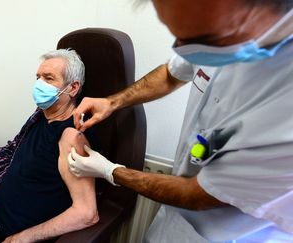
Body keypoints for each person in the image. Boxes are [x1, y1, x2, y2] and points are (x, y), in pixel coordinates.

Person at [67, 0, 293, 242]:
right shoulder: (216, 34)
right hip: (174, 221)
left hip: (230, 233)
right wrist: (112, 102)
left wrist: (110, 171)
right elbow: (171, 73)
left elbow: (197, 195)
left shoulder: (283, 106)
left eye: (201, 39)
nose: (184, 49)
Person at [0, 49, 99, 243]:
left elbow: (86, 213)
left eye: (48, 78)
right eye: (38, 78)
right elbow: (12, 149)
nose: (39, 85)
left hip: (17, 232)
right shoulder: (40, 115)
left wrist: (22, 238)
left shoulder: (71, 136)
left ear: (72, 88)